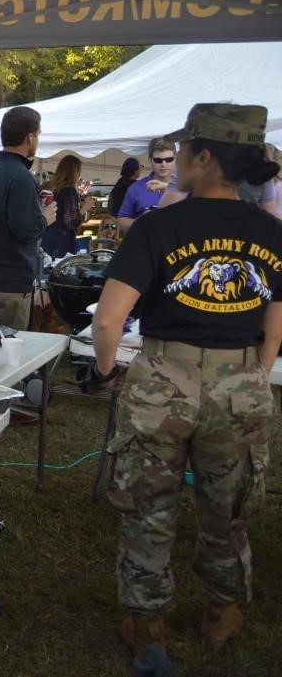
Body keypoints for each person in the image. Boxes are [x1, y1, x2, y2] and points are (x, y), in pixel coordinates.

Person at [90, 103, 282, 662]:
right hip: (240, 382)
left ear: (204, 156)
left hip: (161, 382)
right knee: (230, 506)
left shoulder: (158, 227)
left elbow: (107, 320)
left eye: (183, 151)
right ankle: (224, 610)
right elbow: (275, 326)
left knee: (149, 508)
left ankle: (148, 625)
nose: (173, 163)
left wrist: (107, 373)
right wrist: (251, 374)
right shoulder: (272, 232)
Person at [0, 106, 57, 329]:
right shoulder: (20, 177)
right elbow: (24, 229)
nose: (37, 141)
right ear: (29, 137)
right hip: (9, 284)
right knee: (5, 356)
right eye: (37, 135)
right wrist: (45, 217)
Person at [117, 138, 176, 234]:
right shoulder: (135, 188)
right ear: (150, 160)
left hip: (182, 246)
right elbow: (121, 221)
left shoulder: (188, 185)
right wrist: (141, 220)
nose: (163, 164)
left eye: (169, 159)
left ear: (175, 159)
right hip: (149, 246)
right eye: (158, 160)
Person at [40, 155, 95, 258]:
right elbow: (71, 222)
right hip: (61, 243)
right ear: (75, 172)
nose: (79, 175)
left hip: (43, 237)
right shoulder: (69, 191)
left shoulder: (47, 187)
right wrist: (84, 208)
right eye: (79, 171)